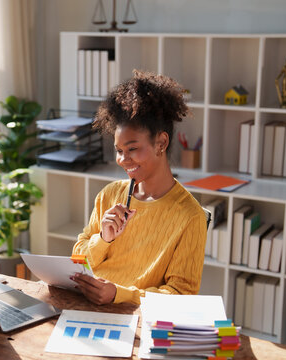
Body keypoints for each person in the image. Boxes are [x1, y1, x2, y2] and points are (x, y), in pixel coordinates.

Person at [71, 70, 207, 305]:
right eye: (119, 151)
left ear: (161, 143)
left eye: (132, 149)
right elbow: (77, 259)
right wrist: (103, 238)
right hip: (85, 307)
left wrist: (118, 294)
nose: (124, 160)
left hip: (135, 320)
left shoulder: (190, 217)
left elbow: (182, 296)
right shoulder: (110, 194)